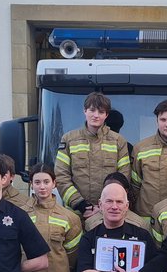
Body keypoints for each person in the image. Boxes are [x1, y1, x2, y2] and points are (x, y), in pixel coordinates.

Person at [56, 91, 131, 220]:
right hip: (76, 213)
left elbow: (123, 177)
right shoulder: (68, 139)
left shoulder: (119, 141)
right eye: (92, 110)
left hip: (108, 214)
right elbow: (61, 176)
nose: (96, 115)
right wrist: (81, 205)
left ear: (106, 115)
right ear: (85, 111)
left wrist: (105, 207)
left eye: (101, 112)